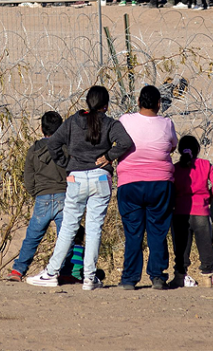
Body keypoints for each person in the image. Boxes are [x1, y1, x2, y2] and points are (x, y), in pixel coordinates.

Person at [26, 85, 133, 291]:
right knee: (94, 229)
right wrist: (108, 156)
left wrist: (67, 164)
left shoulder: (74, 121)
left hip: (76, 178)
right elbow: (125, 142)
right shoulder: (110, 123)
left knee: (68, 227)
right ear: (106, 105)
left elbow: (53, 143)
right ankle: (89, 278)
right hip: (101, 178)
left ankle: (51, 272)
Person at [115, 85, 177, 290]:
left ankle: (129, 278)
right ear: (159, 104)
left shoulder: (125, 120)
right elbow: (172, 146)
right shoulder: (167, 124)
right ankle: (157, 276)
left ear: (139, 102)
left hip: (130, 183)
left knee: (133, 232)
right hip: (160, 183)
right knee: (157, 231)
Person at [7, 111, 69, 282]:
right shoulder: (65, 149)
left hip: (42, 198)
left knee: (32, 237)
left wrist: (36, 192)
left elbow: (28, 176)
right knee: (66, 236)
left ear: (41, 129)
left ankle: (18, 271)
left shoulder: (34, 150)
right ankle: (63, 271)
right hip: (64, 196)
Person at [171, 135, 213, 288]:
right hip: (201, 210)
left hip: (180, 211)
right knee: (205, 244)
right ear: (197, 149)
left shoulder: (175, 168)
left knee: (181, 246)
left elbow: (169, 187)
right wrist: (210, 197)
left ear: (180, 150)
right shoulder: (204, 164)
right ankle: (207, 277)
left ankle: (180, 275)